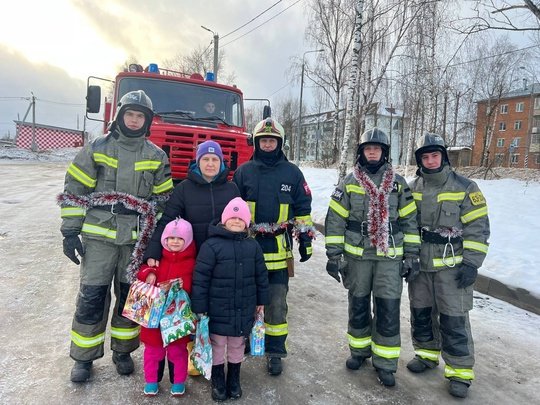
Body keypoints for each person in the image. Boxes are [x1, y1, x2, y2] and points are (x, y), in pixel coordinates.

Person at [58, 90, 174, 383]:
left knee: (131, 298)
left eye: (140, 116)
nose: (134, 120)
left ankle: (123, 351)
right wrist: (70, 231)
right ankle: (83, 357)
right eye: (129, 114)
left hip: (135, 242)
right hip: (99, 239)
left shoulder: (156, 156)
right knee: (92, 298)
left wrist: (154, 240)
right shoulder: (96, 148)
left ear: (147, 121)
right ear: (119, 116)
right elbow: (75, 190)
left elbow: (164, 201)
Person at [324, 128, 420, 387]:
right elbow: (334, 221)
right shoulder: (348, 182)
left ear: (385, 152)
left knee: (388, 309)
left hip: (390, 257)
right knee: (358, 305)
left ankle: (386, 362)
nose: (373, 152)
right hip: (358, 257)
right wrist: (334, 256)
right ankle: (359, 351)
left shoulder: (399, 184)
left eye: (377, 148)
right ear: (361, 152)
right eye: (368, 148)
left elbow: (411, 221)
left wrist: (412, 255)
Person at [143, 140, 240, 376]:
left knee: (217, 305)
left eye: (214, 159)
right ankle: (191, 351)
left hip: (223, 259)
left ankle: (214, 352)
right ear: (197, 162)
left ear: (221, 163)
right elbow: (167, 222)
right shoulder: (184, 188)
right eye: (205, 159)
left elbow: (241, 223)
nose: (210, 164)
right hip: (194, 259)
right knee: (194, 305)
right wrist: (154, 250)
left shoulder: (231, 189)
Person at [406, 133, 490, 399]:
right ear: (419, 160)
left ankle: (459, 372)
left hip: (452, 269)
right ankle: (426, 354)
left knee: (454, 319)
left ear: (444, 156)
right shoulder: (412, 188)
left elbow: (478, 228)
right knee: (421, 313)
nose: (430, 161)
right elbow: (404, 226)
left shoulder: (466, 187)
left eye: (435, 155)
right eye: (425, 157)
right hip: (421, 265)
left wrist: (472, 264)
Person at [232, 117, 314, 376]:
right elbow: (233, 210)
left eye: (272, 141)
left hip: (279, 251)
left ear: (280, 143)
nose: (268, 145)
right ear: (256, 143)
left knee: (276, 304)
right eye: (263, 141)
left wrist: (306, 240)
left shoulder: (292, 172)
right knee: (244, 300)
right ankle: (243, 342)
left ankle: (275, 351)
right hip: (248, 250)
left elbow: (302, 208)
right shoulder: (244, 172)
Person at [191, 197, 269, 401]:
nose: (236, 221)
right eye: (232, 217)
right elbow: (200, 279)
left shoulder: (253, 246)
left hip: (244, 306)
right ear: (224, 220)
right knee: (217, 344)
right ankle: (218, 379)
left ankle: (234, 378)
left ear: (247, 222)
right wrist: (199, 306)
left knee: (237, 344)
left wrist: (261, 301)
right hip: (217, 308)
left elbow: (261, 277)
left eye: (240, 218)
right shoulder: (211, 246)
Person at [137, 218, 196, 397]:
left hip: (177, 318)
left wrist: (181, 286)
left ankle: (178, 382)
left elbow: (195, 284)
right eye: (171, 238)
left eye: (180, 239)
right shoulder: (156, 260)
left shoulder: (192, 263)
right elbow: (141, 273)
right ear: (164, 240)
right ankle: (151, 381)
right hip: (154, 318)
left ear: (188, 241)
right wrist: (149, 273)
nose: (175, 242)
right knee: (153, 352)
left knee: (177, 352)